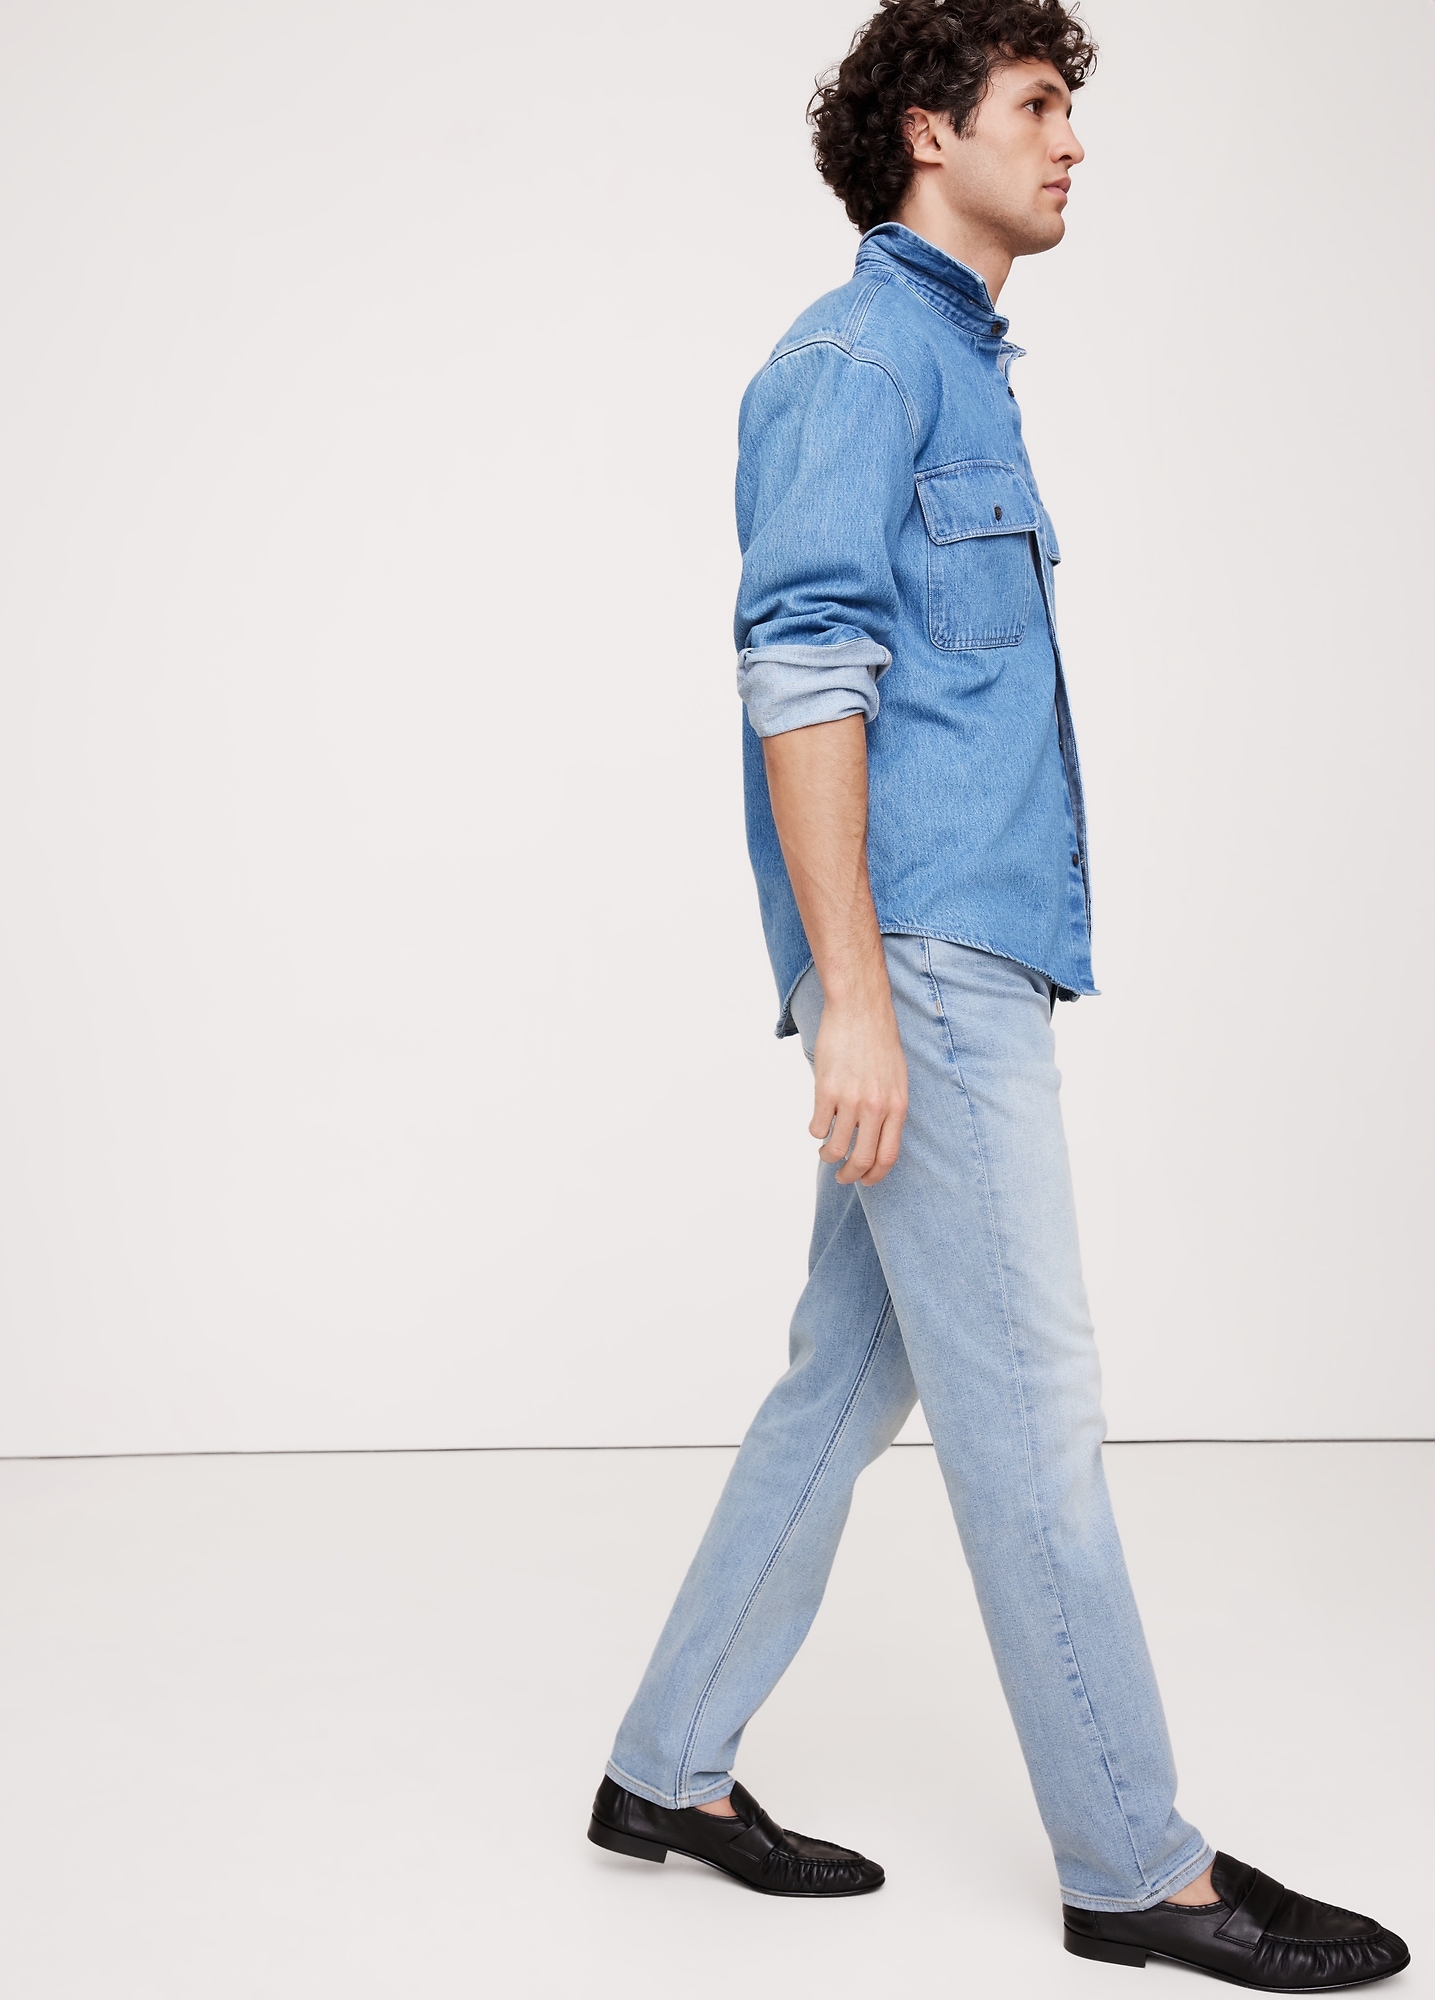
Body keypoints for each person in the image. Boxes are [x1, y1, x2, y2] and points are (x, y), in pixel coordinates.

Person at [587, 1, 1410, 1985]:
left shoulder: (957, 363)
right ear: (930, 133)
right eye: (1039, 106)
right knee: (1032, 1407)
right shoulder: (857, 365)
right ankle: (1138, 1866)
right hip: (927, 975)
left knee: (847, 1372)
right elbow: (803, 678)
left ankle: (663, 1769)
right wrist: (855, 998)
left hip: (958, 958)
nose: (1072, 142)